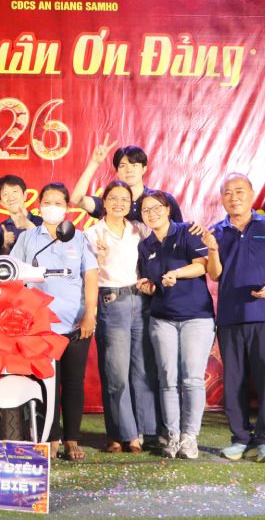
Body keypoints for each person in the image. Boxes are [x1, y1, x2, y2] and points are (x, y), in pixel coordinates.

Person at [203, 173, 265, 464]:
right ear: (222, 198)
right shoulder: (216, 232)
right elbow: (215, 274)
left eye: (240, 191)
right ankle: (240, 438)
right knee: (234, 381)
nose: (234, 197)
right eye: (228, 192)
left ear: (252, 194)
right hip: (230, 317)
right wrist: (212, 249)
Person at [11, 183, 98, 461]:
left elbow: (91, 276)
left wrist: (90, 314)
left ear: (67, 208)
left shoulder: (80, 238)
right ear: (39, 206)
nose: (52, 207)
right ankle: (50, 437)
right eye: (47, 201)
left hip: (75, 324)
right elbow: (13, 275)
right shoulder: (28, 238)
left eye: (58, 202)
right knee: (45, 383)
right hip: (39, 326)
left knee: (73, 382)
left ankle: (72, 439)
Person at [136, 191, 213, 459]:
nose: (152, 213)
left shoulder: (187, 231)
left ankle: (190, 437)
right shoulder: (145, 246)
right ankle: (172, 435)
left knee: (192, 378)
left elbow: (202, 266)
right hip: (162, 319)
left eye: (156, 208)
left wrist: (176, 274)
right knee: (167, 379)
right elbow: (153, 283)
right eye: (146, 210)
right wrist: (147, 286)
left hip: (196, 317)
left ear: (168, 209)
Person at [86, 181, 157, 454]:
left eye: (124, 199)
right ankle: (120, 434)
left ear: (131, 204)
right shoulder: (92, 233)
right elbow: (88, 273)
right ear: (104, 202)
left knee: (142, 370)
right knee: (116, 372)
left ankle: (141, 433)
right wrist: (100, 259)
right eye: (113, 198)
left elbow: (161, 245)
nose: (119, 203)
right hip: (111, 301)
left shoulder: (139, 229)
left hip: (140, 301)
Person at [72, 139, 184, 223]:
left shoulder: (164, 200)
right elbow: (76, 198)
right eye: (123, 166)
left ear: (144, 169)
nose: (129, 170)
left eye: (134, 165)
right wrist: (94, 163)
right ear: (117, 172)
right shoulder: (111, 204)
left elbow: (180, 235)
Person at [0, 174, 42, 255]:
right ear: (1, 203)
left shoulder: (42, 222)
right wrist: (6, 247)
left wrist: (29, 226)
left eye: (14, 191)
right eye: (5, 194)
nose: (11, 198)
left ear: (25, 195)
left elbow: (49, 253)